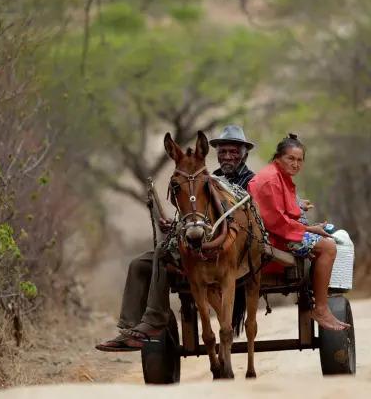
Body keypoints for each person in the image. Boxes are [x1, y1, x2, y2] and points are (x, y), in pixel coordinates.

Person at [95, 125, 257, 351]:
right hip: (195, 242)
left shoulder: (253, 182)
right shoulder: (204, 178)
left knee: (163, 254)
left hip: (232, 251)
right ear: (216, 154)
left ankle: (153, 321)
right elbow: (195, 213)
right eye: (223, 151)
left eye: (234, 151)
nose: (228, 156)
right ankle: (133, 328)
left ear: (244, 154)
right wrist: (175, 224)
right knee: (140, 264)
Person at [247, 133, 350, 331]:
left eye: (299, 160)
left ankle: (318, 297)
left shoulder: (278, 175)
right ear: (278, 158)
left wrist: (302, 212)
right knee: (328, 247)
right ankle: (321, 308)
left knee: (328, 235)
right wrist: (310, 229)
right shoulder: (270, 179)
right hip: (271, 238)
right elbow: (275, 222)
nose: (295, 164)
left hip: (280, 231)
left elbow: (282, 211)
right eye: (291, 158)